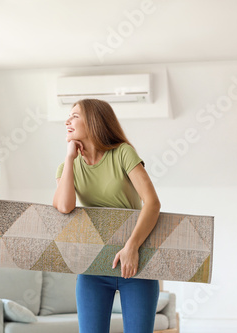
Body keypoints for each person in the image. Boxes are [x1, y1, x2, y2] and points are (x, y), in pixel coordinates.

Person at [52, 99, 161, 333]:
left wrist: (131, 247)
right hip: (93, 267)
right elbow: (64, 207)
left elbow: (152, 203)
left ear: (93, 121)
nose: (67, 121)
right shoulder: (67, 166)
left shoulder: (122, 152)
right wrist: (70, 159)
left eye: (74, 116)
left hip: (136, 263)